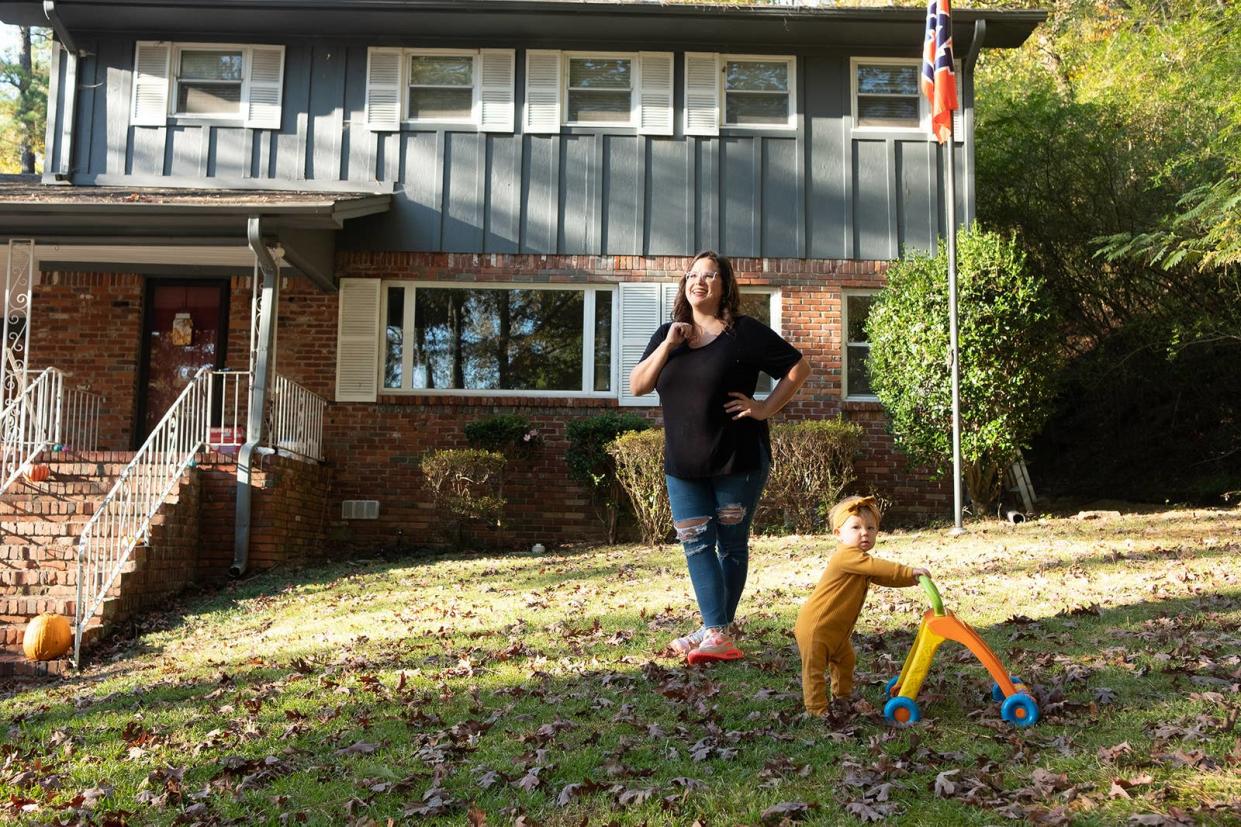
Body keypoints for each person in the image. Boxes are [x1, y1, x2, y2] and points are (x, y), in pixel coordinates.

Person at [629, 250, 810, 665]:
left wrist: (765, 407)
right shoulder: (668, 335)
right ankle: (715, 630)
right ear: (684, 285)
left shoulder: (743, 333)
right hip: (684, 466)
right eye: (692, 275)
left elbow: (799, 368)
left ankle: (714, 632)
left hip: (738, 460)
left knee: (730, 545)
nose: (699, 281)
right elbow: (638, 385)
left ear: (725, 285)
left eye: (710, 276)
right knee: (695, 545)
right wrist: (669, 345)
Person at [793, 495, 930, 716]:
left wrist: (910, 580)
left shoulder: (860, 561)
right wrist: (908, 570)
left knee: (845, 660)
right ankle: (816, 709)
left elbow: (882, 576)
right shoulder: (846, 557)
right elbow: (878, 567)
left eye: (870, 527)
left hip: (836, 630)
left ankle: (842, 697)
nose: (864, 532)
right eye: (855, 527)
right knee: (814, 669)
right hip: (816, 627)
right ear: (838, 534)